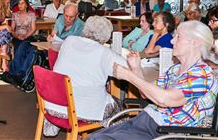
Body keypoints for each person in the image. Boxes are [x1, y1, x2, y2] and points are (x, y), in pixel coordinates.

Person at [88, 20, 218, 140]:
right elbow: (147, 94)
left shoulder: (201, 75)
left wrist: (129, 76)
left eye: (178, 37)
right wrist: (136, 69)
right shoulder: (175, 69)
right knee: (94, 137)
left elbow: (165, 99)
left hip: (166, 132)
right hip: (147, 120)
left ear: (195, 42)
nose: (172, 41)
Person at [43, 16, 126, 137]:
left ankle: (54, 125)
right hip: (80, 110)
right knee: (119, 108)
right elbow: (126, 68)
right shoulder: (104, 53)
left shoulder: (69, 40)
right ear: (106, 36)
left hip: (53, 105)